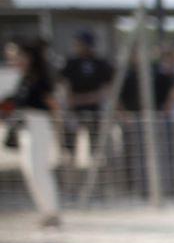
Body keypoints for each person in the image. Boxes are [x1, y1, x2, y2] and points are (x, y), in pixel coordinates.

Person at [4, 39, 64, 226]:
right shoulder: (23, 79)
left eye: (16, 56)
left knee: (38, 169)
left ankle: (52, 212)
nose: (12, 60)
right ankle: (46, 212)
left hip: (39, 125)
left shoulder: (41, 79)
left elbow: (54, 106)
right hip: (26, 127)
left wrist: (58, 132)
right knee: (30, 169)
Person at [59, 30, 114, 165]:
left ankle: (96, 164)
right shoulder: (71, 62)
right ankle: (70, 161)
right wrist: (71, 99)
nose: (78, 46)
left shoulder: (100, 63)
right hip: (74, 107)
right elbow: (64, 83)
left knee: (95, 136)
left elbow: (107, 87)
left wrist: (89, 98)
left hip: (94, 106)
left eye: (81, 43)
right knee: (70, 135)